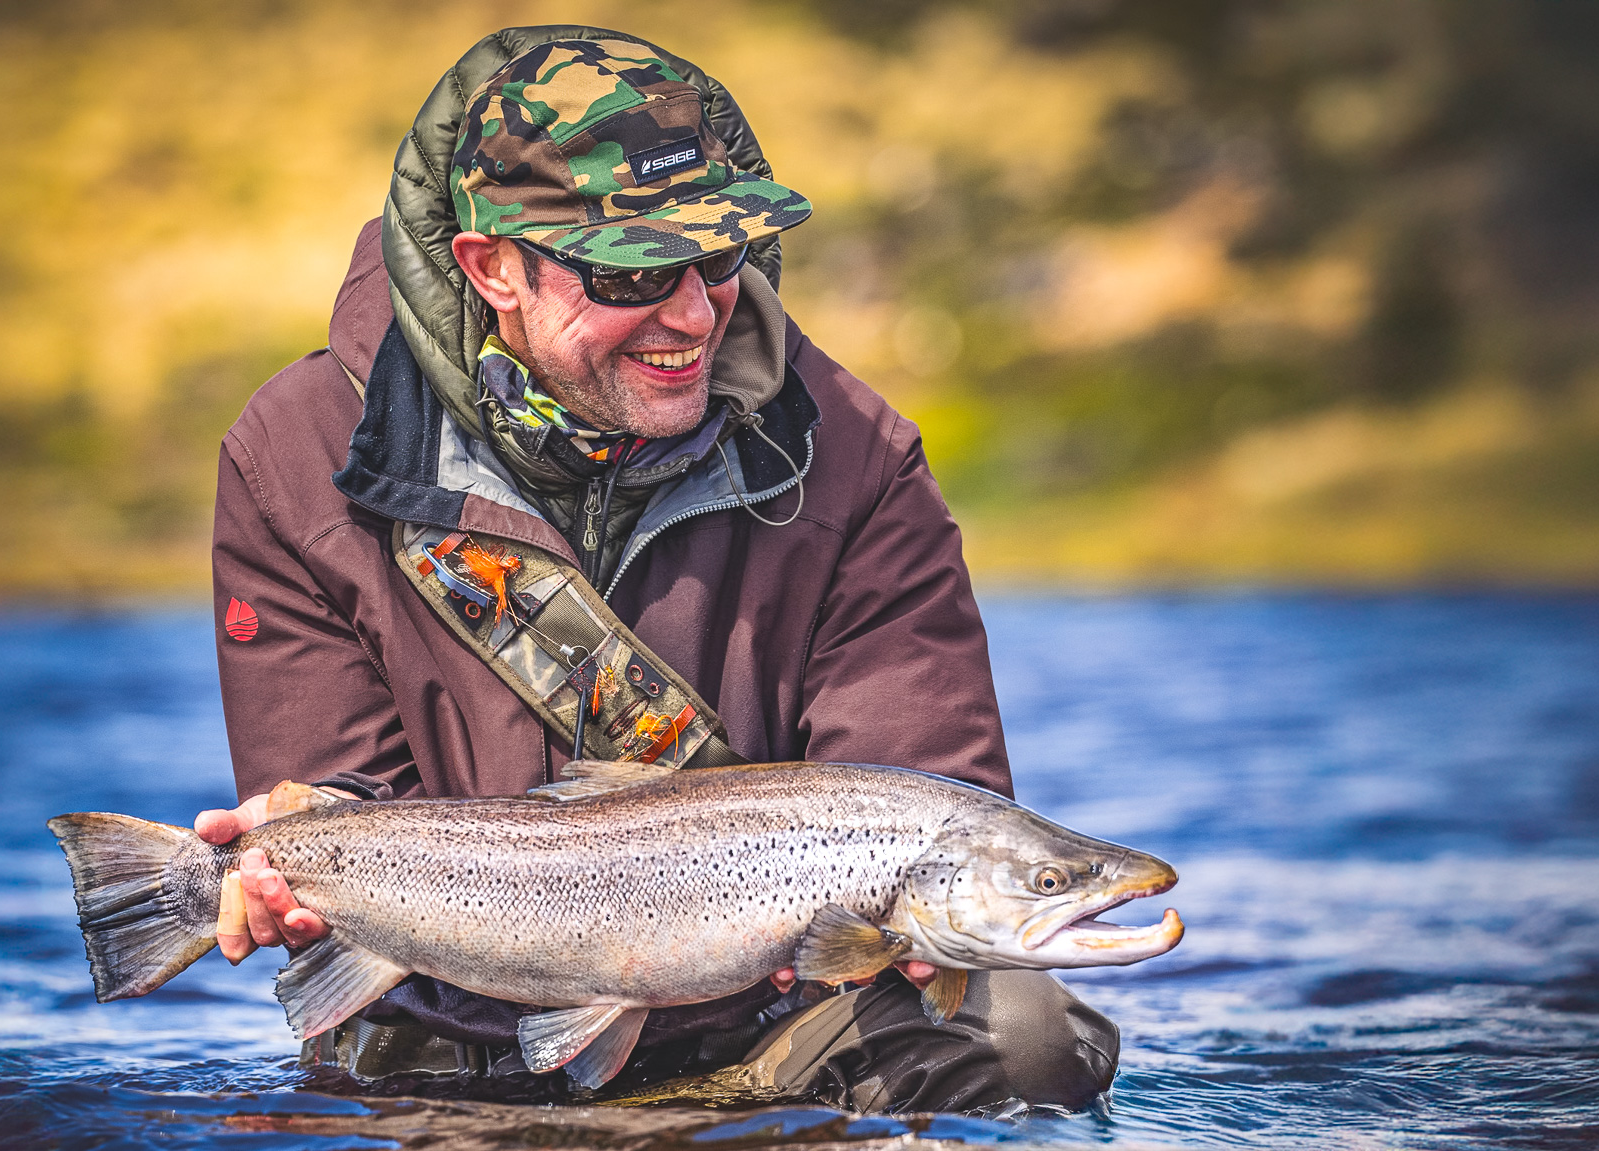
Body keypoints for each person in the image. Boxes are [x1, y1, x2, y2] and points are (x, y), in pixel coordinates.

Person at [191, 27, 1120, 1114]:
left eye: (718, 255)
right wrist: (291, 846)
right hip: (446, 1024)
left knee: (1026, 1034)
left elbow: (922, 788)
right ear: (492, 266)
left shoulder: (857, 456)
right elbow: (341, 793)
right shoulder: (298, 453)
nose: (690, 312)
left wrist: (906, 940)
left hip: (782, 1020)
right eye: (629, 271)